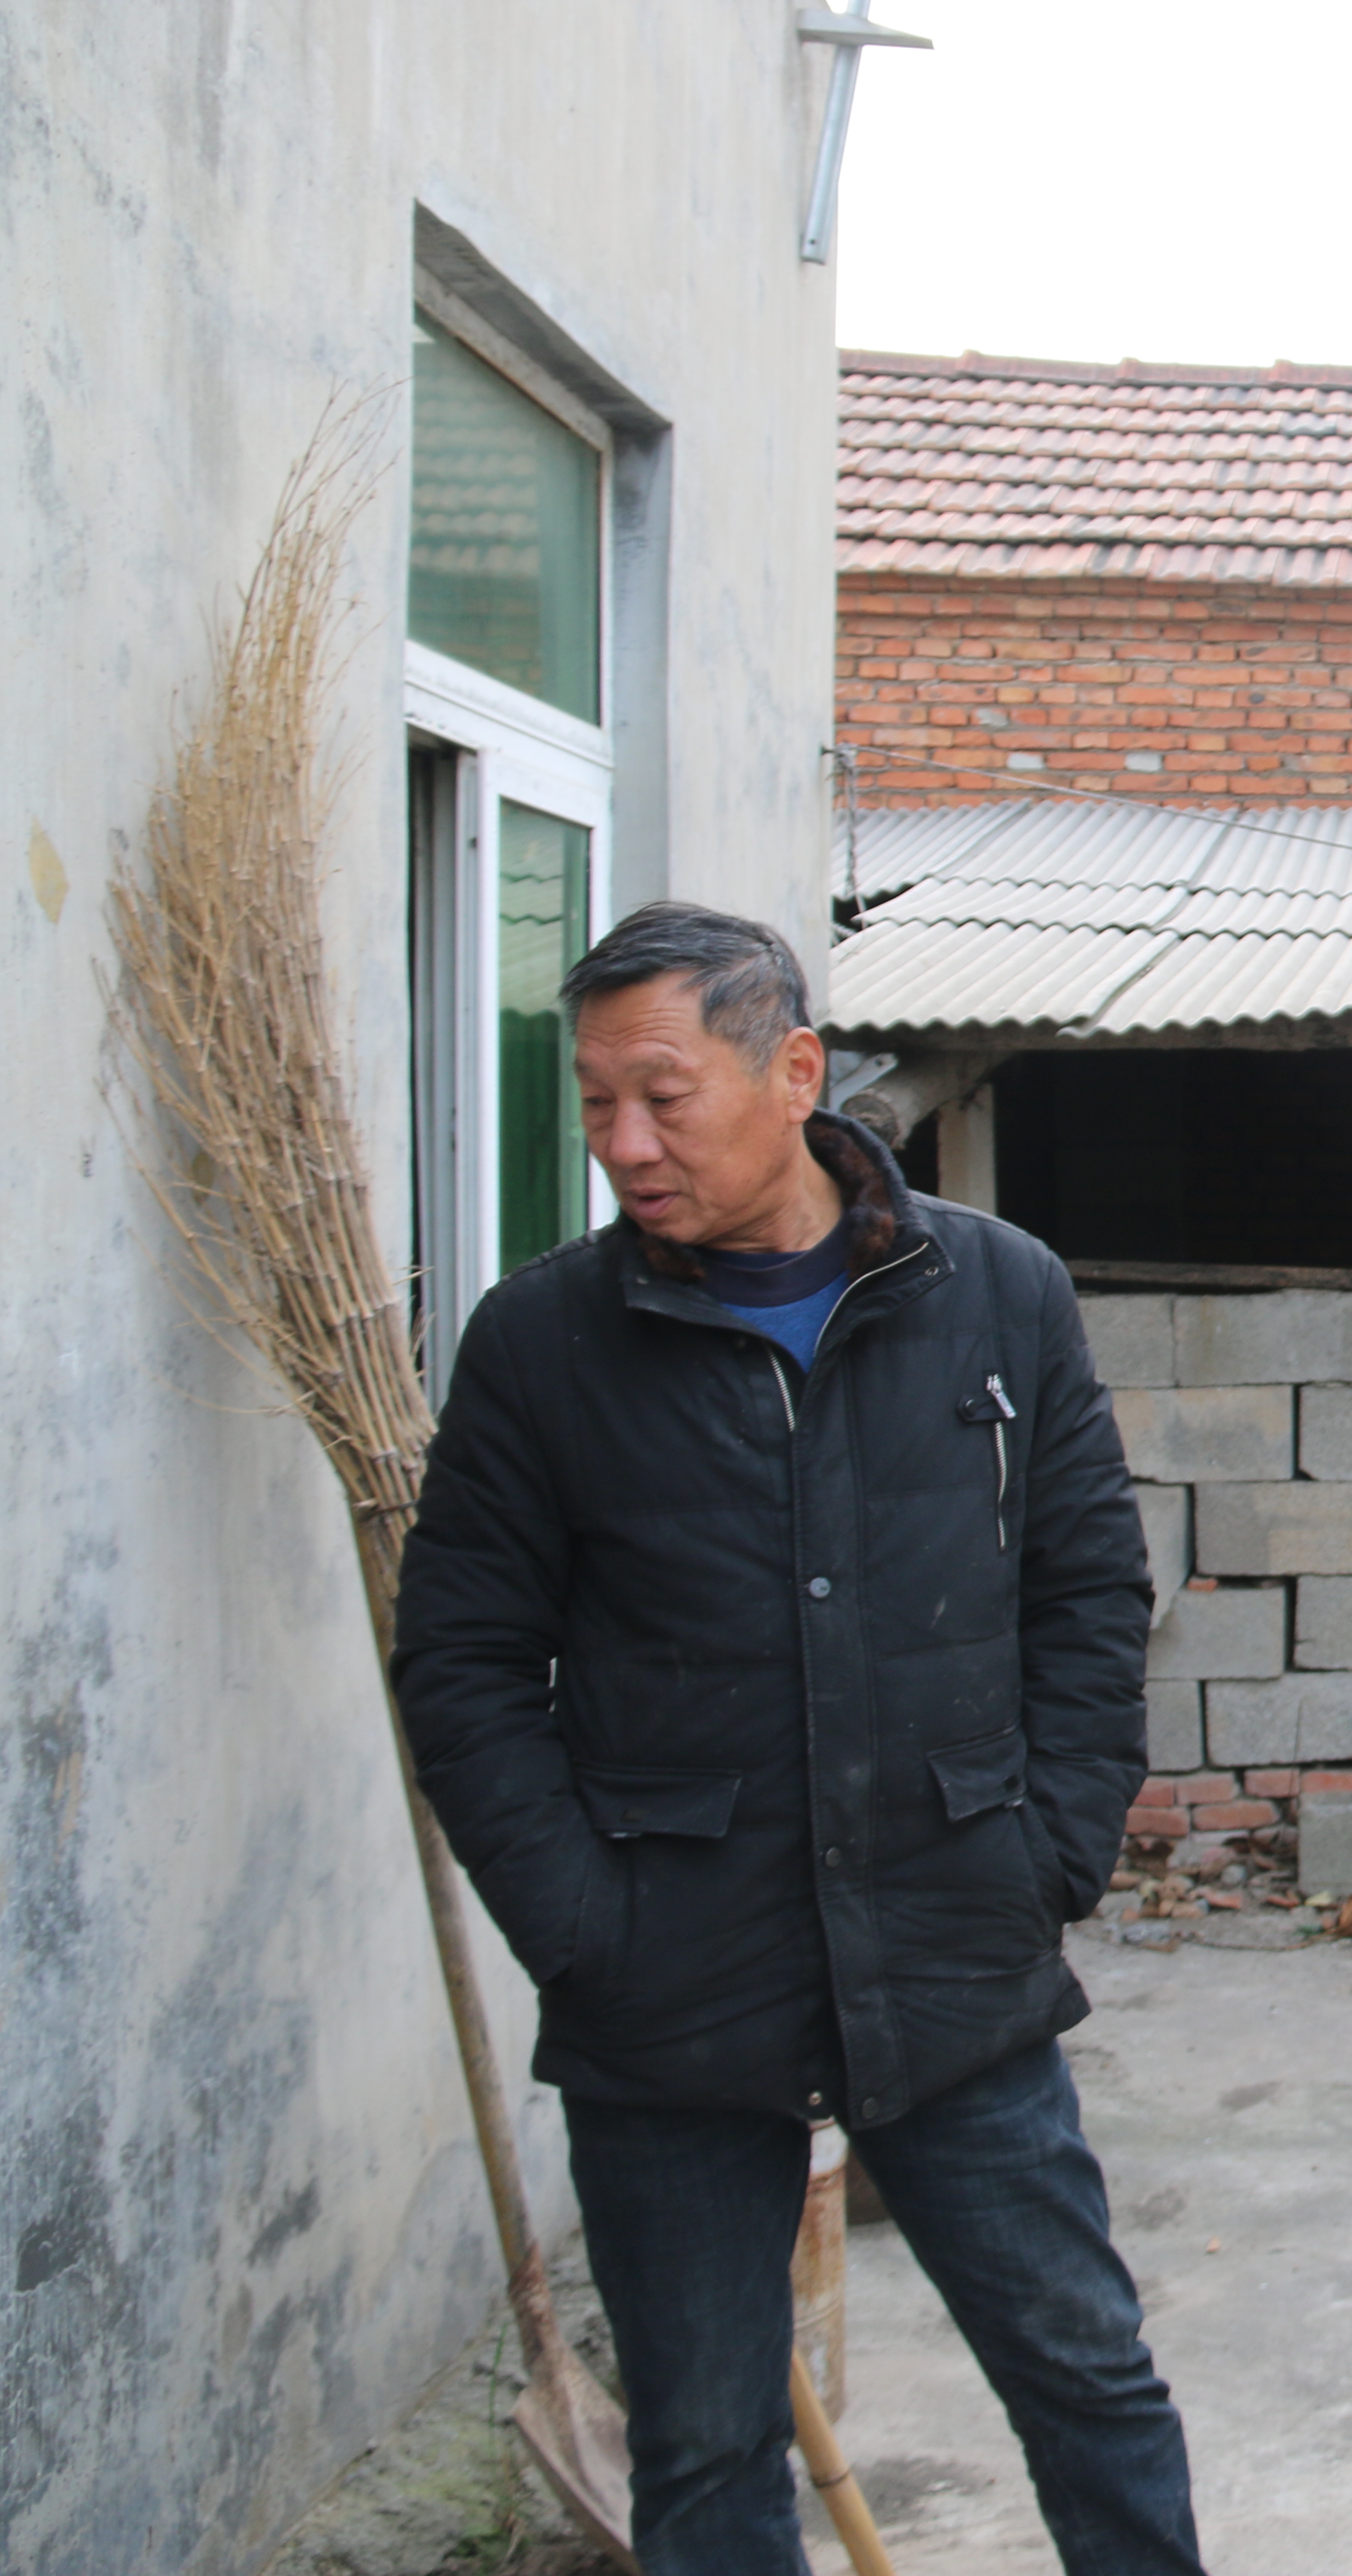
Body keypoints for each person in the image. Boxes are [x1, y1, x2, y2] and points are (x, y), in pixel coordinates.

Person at [394, 902, 1200, 2574]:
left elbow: (1086, 1593)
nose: (625, 1144)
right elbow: (463, 1666)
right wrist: (583, 1926)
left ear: (796, 1073)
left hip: (954, 1939)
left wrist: (1050, 1849)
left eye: (664, 1097)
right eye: (595, 1105)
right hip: (668, 1977)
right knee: (704, 2445)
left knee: (1087, 2377)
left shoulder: (993, 1293)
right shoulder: (542, 1343)